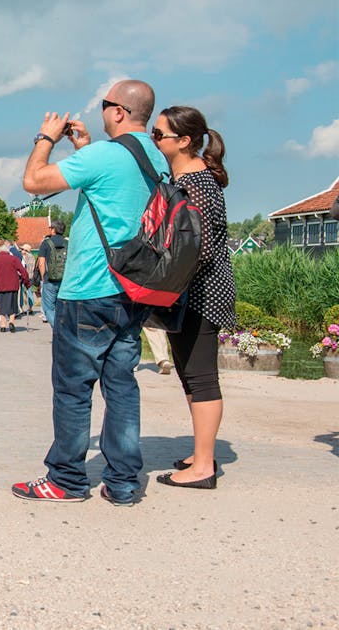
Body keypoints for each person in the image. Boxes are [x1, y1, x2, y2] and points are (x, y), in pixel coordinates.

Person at [12, 79, 168, 507]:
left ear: (118, 112)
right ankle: (122, 484)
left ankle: (65, 479)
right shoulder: (157, 159)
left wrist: (46, 136)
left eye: (105, 105)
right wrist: (83, 146)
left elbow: (33, 181)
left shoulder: (106, 154)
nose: (101, 112)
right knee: (121, 385)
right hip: (133, 288)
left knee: (73, 388)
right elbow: (113, 194)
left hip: (88, 289)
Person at [151, 106, 236, 490]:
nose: (154, 140)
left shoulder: (197, 184)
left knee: (201, 379)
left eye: (159, 135)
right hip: (190, 291)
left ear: (183, 141)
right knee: (189, 374)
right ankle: (201, 452)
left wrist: (157, 277)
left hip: (200, 292)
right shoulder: (189, 178)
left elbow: (193, 247)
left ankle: (203, 466)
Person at [0, 241, 29, 333]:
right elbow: (23, 271)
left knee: (1, 305)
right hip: (13, 285)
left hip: (0, 286)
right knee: (13, 304)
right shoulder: (13, 259)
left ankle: (3, 325)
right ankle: (11, 321)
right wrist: (27, 283)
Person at [36, 221, 67, 325]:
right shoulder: (67, 243)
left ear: (53, 229)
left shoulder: (46, 243)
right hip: (65, 280)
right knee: (62, 307)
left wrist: (43, 276)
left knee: (48, 308)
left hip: (49, 280)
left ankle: (58, 330)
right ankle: (63, 328)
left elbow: (41, 262)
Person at [19, 243, 36, 316]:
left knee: (23, 292)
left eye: (22, 249)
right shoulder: (32, 257)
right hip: (30, 276)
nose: (21, 250)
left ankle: (22, 307)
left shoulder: (26, 257)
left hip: (25, 276)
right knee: (29, 292)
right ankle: (30, 307)